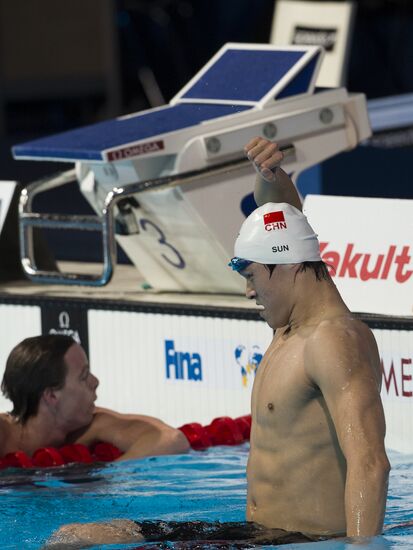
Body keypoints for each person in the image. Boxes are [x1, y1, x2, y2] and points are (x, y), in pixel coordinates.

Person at [46, 138, 390, 547]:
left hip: (301, 542)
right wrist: (271, 177)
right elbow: (287, 220)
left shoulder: (334, 340)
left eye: (252, 277)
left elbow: (370, 464)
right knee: (77, 536)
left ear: (290, 269)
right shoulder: (290, 326)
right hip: (258, 535)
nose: (248, 292)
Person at [0, 334, 189, 461]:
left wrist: (109, 478)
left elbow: (171, 439)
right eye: (84, 376)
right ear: (51, 395)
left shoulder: (90, 425)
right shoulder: (3, 434)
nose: (96, 381)